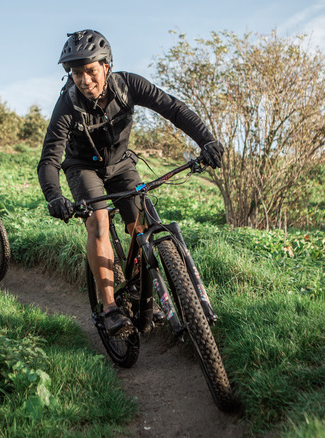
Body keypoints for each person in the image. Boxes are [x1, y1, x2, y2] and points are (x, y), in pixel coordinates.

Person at [37, 30, 224, 336]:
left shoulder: (128, 85)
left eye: (90, 71)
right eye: (76, 73)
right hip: (83, 167)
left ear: (106, 66)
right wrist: (54, 196)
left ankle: (138, 283)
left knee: (141, 223)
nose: (84, 80)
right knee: (98, 221)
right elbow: (49, 159)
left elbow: (173, 109)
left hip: (121, 163)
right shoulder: (67, 105)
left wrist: (207, 140)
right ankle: (110, 309)